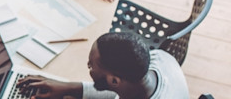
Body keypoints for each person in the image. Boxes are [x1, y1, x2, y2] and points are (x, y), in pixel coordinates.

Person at [18, 32, 189, 99]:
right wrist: (69, 88)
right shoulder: (161, 59)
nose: (88, 66)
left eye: (91, 66)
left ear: (114, 81)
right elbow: (118, 91)